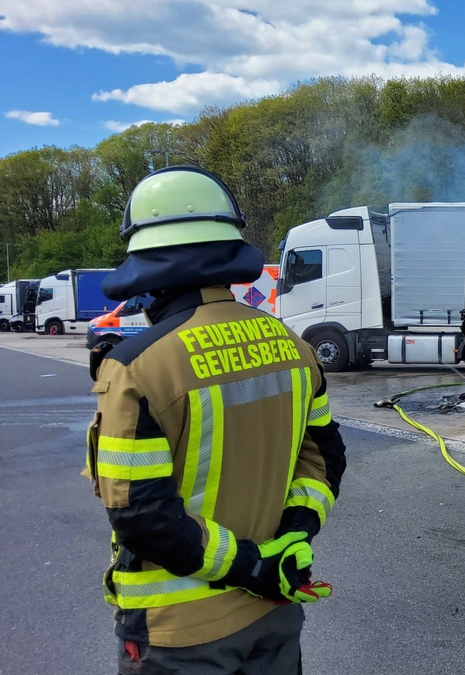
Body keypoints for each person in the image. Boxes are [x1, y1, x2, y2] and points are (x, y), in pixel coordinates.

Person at [83, 166, 347, 674]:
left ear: (148, 272)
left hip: (181, 633)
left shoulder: (137, 366)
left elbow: (143, 516)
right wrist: (295, 531)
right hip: (275, 613)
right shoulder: (291, 345)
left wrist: (248, 566)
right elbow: (324, 458)